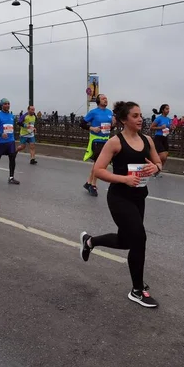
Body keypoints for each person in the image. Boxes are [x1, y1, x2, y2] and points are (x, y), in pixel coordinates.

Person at [79, 101, 162, 308]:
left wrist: (156, 168)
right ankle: (137, 290)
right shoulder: (115, 142)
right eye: (135, 116)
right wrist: (124, 179)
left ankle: (90, 242)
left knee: (127, 241)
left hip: (139, 196)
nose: (140, 119)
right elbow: (98, 170)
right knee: (139, 238)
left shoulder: (147, 140)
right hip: (119, 197)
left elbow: (159, 163)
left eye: (141, 115)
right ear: (124, 120)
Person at [81, 94, 115, 197]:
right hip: (96, 140)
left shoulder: (110, 112)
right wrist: (92, 128)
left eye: (106, 98)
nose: (106, 100)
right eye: (103, 98)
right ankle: (93, 185)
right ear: (98, 101)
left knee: (97, 164)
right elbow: (82, 124)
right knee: (100, 164)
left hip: (106, 141)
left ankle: (88, 183)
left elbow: (109, 129)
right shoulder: (93, 112)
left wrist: (113, 124)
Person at [149, 104, 172, 170]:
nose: (168, 110)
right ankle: (152, 165)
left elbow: (169, 129)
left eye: (168, 109)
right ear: (162, 110)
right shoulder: (159, 118)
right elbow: (151, 127)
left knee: (166, 155)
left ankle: (158, 170)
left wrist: (172, 128)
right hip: (158, 137)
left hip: (165, 137)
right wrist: (160, 127)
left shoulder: (168, 119)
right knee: (162, 156)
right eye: (166, 109)